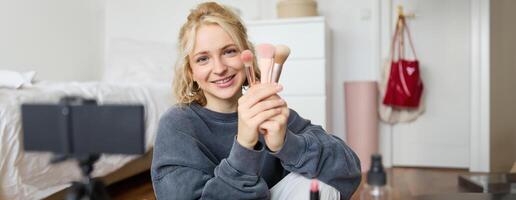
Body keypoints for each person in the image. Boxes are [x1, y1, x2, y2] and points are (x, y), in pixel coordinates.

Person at [151, 2, 361, 199]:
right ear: (191, 72)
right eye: (203, 58)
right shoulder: (177, 125)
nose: (219, 68)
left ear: (246, 57)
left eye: (229, 51)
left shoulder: (268, 111)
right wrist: (244, 146)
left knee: (318, 182)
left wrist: (287, 144)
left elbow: (348, 171)